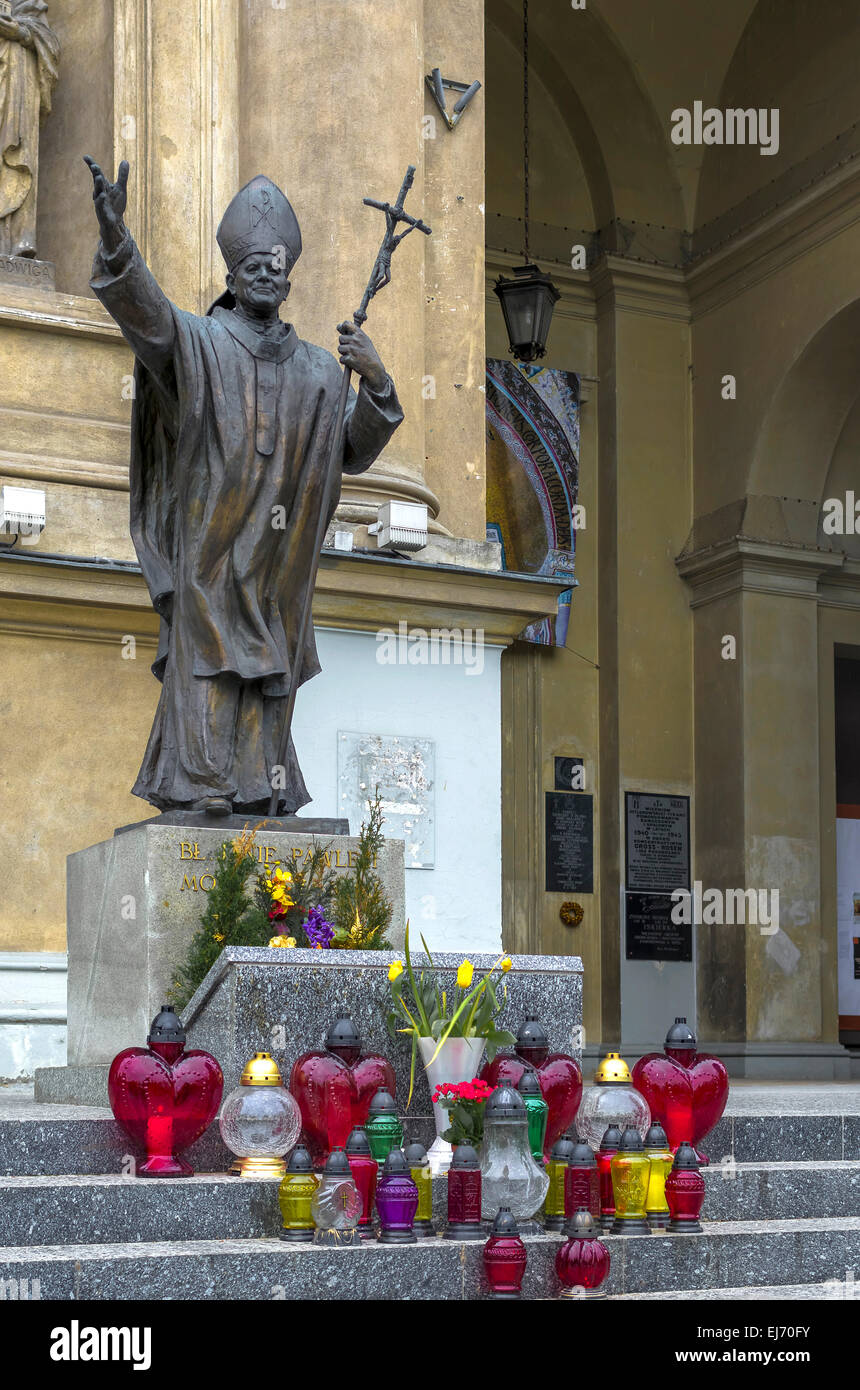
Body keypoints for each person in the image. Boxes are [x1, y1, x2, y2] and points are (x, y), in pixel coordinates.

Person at [84, 158, 403, 816]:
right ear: (229, 276)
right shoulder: (200, 342)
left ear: (289, 278)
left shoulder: (320, 371)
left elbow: (350, 451)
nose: (264, 273)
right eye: (251, 265)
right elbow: (149, 321)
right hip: (212, 549)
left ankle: (262, 790)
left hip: (280, 567)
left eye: (275, 266)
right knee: (208, 664)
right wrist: (118, 241)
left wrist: (375, 383)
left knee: (270, 676)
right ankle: (203, 788)